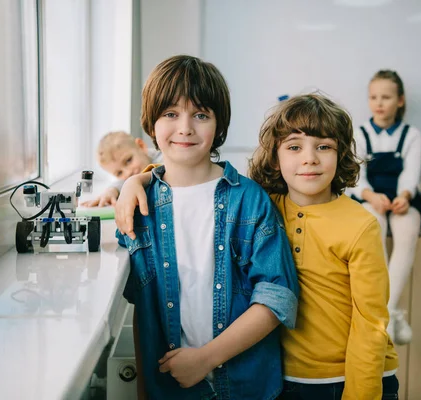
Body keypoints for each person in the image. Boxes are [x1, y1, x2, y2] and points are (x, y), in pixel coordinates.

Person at [115, 55, 300, 399]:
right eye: (171, 114)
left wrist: (204, 359)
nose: (185, 127)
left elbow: (277, 299)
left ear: (219, 124)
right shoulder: (138, 208)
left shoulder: (249, 200)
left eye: (200, 115)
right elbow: (143, 309)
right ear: (150, 122)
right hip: (170, 389)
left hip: (247, 387)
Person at [249, 93, 399, 399]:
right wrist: (135, 182)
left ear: (341, 154)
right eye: (294, 147)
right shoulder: (263, 209)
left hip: (355, 380)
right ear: (275, 157)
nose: (309, 158)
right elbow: (211, 186)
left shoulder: (361, 225)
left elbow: (370, 324)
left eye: (324, 147)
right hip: (286, 379)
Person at [348, 70, 421, 345]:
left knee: (407, 230)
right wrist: (370, 195)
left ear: (400, 100)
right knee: (372, 226)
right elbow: (356, 175)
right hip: (370, 198)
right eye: (373, 97)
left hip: (402, 198)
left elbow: (411, 173)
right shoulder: (360, 132)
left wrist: (404, 195)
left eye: (386, 97)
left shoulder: (411, 134)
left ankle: (388, 313)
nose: (379, 103)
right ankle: (390, 314)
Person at [81, 131, 161, 207]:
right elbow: (121, 183)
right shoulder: (129, 178)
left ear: (141, 146)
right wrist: (111, 191)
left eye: (128, 160)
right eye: (119, 173)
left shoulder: (165, 159)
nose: (128, 172)